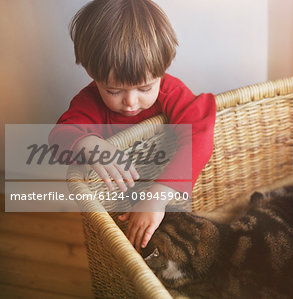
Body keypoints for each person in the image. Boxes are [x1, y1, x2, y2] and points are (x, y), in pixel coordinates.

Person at [49, 0, 216, 252]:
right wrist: (87, 142)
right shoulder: (89, 102)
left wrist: (157, 196)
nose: (130, 101)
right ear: (93, 75)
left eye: (145, 88)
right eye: (113, 90)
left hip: (166, 197)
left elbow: (200, 135)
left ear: (162, 70)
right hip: (119, 208)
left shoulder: (170, 92)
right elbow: (59, 137)